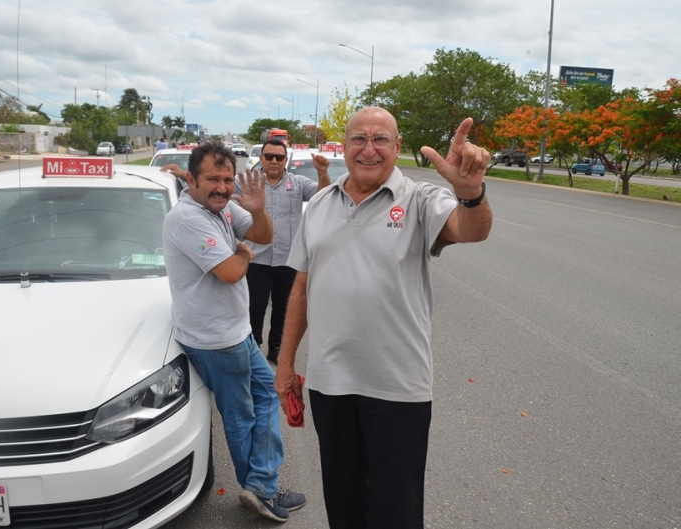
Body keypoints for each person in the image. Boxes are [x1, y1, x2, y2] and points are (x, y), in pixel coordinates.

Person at [274, 107, 493, 529]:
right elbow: (301, 287)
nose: (369, 149)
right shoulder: (319, 204)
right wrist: (285, 365)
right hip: (329, 384)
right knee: (343, 504)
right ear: (344, 145)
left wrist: (471, 193)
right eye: (359, 138)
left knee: (396, 510)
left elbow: (471, 228)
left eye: (380, 140)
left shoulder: (420, 199)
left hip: (397, 389)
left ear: (395, 147)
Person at [162, 141, 306, 522]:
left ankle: (262, 483)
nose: (222, 187)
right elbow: (229, 272)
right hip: (215, 342)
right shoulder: (187, 218)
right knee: (241, 414)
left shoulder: (222, 209)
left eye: (227, 179)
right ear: (191, 179)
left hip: (236, 332)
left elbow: (264, 236)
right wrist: (241, 254)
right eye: (213, 179)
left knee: (269, 395)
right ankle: (261, 488)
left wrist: (258, 211)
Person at [241, 139, 332, 363]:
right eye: (269, 156)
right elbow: (218, 188)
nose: (274, 161)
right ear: (261, 158)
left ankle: (277, 348)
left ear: (285, 160)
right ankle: (253, 350)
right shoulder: (250, 182)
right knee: (255, 308)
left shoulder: (298, 183)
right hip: (257, 258)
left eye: (279, 157)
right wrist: (185, 176)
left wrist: (322, 173)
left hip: (288, 259)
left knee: (283, 308)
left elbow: (323, 194)